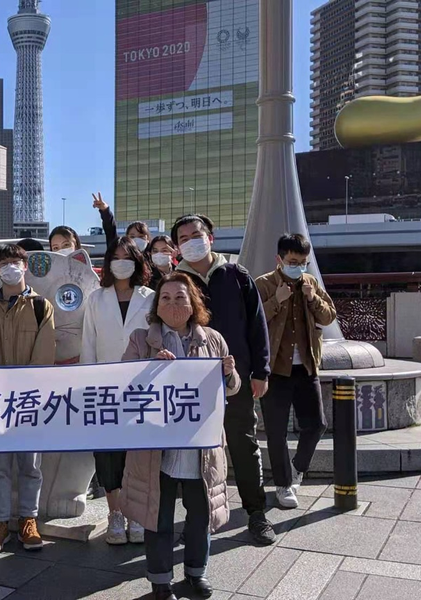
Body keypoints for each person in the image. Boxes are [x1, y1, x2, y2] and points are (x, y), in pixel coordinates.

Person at [120, 272, 239, 600]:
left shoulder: (212, 339)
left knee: (199, 516)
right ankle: (160, 582)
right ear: (157, 305)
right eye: (166, 298)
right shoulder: (141, 339)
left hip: (201, 447)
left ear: (194, 304)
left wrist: (229, 374)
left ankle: (195, 575)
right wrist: (150, 369)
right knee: (157, 516)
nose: (173, 304)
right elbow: (125, 385)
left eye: (181, 297)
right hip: (156, 448)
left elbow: (232, 388)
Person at [172, 214, 275, 546]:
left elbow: (257, 326)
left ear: (210, 238)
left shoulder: (236, 274)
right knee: (198, 451)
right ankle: (199, 517)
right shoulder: (176, 282)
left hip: (236, 377)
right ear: (177, 246)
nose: (191, 241)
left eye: (196, 235)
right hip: (191, 384)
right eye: (183, 238)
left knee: (244, 444)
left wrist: (260, 371)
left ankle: (256, 513)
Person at [0, 245, 56, 554]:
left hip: (30, 398)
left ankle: (28, 520)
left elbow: (45, 352)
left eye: (15, 262)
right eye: (3, 263)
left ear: (25, 266)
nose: (10, 267)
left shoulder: (41, 307)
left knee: (30, 464)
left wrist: (26, 387)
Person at [81, 236, 155, 545]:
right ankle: (115, 514)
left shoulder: (150, 297)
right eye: (116, 257)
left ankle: (136, 514)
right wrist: (86, 385)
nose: (121, 262)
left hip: (142, 387)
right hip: (104, 387)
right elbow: (88, 343)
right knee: (108, 454)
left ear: (138, 262)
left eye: (128, 257)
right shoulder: (96, 298)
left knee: (137, 454)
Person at [255, 234, 336, 508]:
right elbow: (253, 323)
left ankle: (297, 468)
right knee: (276, 431)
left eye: (303, 262)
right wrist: (277, 300)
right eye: (293, 261)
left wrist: (312, 299)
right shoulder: (264, 284)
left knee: (317, 424)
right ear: (279, 259)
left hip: (307, 366)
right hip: (275, 368)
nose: (299, 267)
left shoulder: (310, 283)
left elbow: (329, 316)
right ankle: (283, 484)